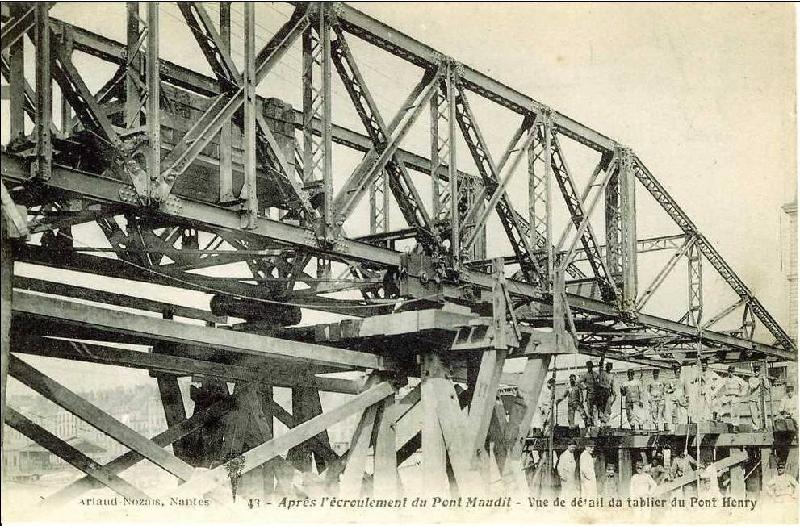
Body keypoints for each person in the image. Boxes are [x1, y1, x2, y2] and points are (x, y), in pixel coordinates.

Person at [580, 361, 598, 426]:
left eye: (590, 366)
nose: (589, 367)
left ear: (592, 366)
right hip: (589, 395)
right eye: (588, 366)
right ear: (587, 367)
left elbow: (599, 383)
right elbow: (578, 382)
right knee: (590, 411)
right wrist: (585, 387)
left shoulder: (596, 374)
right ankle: (590, 424)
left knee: (595, 410)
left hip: (596, 395)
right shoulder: (585, 375)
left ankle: (595, 424)